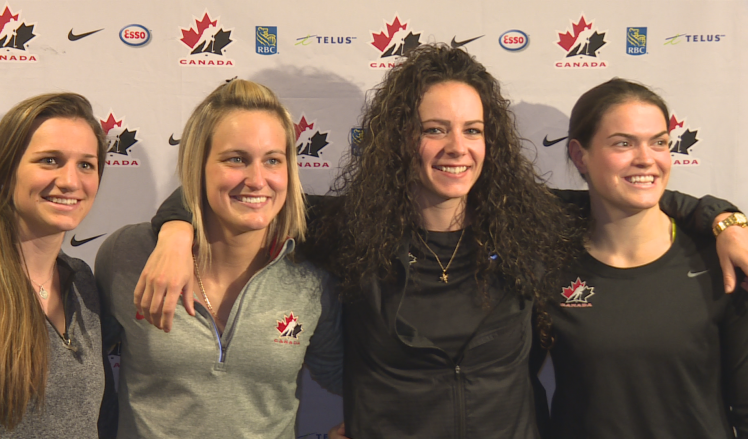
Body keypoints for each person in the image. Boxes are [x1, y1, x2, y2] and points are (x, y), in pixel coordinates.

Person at [138, 45, 747, 438]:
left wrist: (722, 219)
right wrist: (175, 228)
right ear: (403, 139)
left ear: (492, 142)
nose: (457, 147)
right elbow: (249, 193)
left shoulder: (528, 223)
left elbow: (636, 190)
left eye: (473, 130)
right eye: (435, 129)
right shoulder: (348, 229)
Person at [94, 79, 342, 439]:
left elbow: (344, 374)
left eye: (273, 160)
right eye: (236, 159)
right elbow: (82, 372)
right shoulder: (128, 254)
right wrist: (175, 230)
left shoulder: (311, 273)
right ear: (199, 165)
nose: (257, 180)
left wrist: (376, 425)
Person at [537, 78, 748, 438]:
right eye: (623, 143)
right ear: (579, 155)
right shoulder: (548, 259)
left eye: (660, 143)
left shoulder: (719, 258)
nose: (646, 159)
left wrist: (723, 219)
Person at [0, 93, 107, 437]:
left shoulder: (82, 282)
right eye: (49, 160)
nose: (71, 181)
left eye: (86, 165)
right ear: (5, 172)